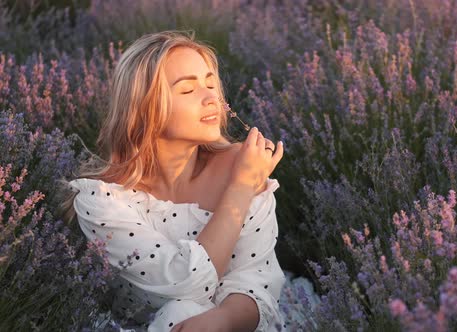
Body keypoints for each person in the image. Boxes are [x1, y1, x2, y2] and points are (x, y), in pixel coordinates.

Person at [57, 30, 287, 332]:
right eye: (188, 90)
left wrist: (221, 320)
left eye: (210, 84)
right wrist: (240, 188)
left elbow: (256, 280)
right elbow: (187, 283)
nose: (211, 99)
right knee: (181, 311)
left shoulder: (243, 167)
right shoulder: (102, 200)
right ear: (144, 108)